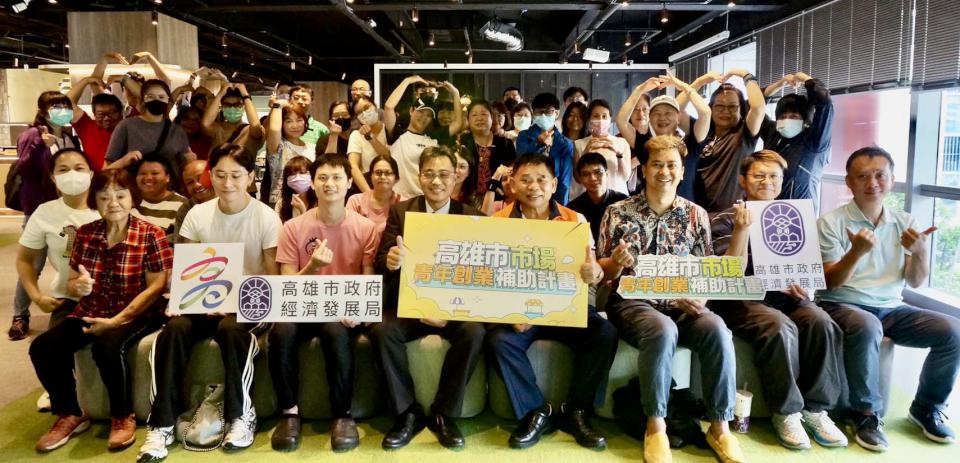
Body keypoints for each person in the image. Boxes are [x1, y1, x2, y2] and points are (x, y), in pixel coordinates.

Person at [598, 135, 746, 463]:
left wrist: (700, 298)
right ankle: (656, 425)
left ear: (682, 171)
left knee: (717, 330)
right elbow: (602, 270)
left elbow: (706, 270)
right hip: (633, 303)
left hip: (683, 305)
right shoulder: (617, 212)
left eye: (671, 165)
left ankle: (720, 427)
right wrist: (616, 263)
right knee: (661, 330)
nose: (664, 172)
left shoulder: (696, 215)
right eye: (656, 164)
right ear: (644, 170)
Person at [138, 143, 281, 461]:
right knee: (174, 329)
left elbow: (272, 279)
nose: (227, 183)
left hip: (249, 302)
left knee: (232, 330)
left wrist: (235, 301)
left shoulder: (266, 218)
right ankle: (161, 424)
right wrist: (183, 299)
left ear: (250, 177)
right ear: (210, 175)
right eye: (220, 174)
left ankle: (241, 416)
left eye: (236, 175)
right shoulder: (197, 215)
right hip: (204, 300)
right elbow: (187, 269)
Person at [817, 147, 960, 451]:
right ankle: (865, 414)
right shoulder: (831, 223)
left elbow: (915, 281)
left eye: (880, 175)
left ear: (892, 180)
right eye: (862, 176)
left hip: (892, 307)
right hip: (842, 303)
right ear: (849, 182)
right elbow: (829, 283)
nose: (872, 183)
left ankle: (926, 407)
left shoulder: (905, 221)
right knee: (866, 325)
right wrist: (856, 253)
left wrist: (920, 251)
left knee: (953, 331)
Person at [711, 150, 847, 450]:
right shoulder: (724, 219)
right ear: (742, 180)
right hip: (743, 300)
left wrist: (805, 287)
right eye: (758, 175)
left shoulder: (794, 217)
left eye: (774, 176)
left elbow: (806, 268)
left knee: (822, 322)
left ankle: (816, 410)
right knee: (779, 326)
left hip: (789, 299)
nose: (767, 182)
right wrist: (744, 231)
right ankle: (785, 412)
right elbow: (726, 275)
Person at [30, 168, 171, 452]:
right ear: (95, 200)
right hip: (93, 308)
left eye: (121, 195)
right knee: (43, 347)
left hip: (137, 312)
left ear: (133, 198)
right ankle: (70, 413)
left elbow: (156, 288)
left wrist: (117, 321)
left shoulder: (151, 234)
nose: (113, 203)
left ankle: (122, 415)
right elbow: (72, 281)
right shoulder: (85, 234)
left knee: (107, 347)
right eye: (104, 197)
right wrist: (79, 286)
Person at [485, 153, 615, 450]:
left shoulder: (574, 220)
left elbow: (593, 270)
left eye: (541, 179)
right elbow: (491, 279)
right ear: (512, 184)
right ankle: (536, 411)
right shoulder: (496, 223)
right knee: (498, 341)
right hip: (521, 315)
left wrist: (593, 272)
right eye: (525, 180)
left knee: (604, 333)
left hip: (565, 309)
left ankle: (576, 410)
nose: (534, 187)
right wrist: (510, 312)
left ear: (554, 184)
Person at [369, 146, 487, 450]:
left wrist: (449, 312)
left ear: (456, 177)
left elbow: (480, 274)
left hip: (453, 308)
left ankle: (443, 413)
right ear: (419, 176)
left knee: (474, 332)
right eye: (429, 174)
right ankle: (407, 413)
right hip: (410, 305)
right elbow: (381, 260)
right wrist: (391, 260)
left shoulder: (472, 217)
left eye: (444, 174)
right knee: (381, 331)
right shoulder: (401, 211)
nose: (436, 181)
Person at [269, 153, 379, 452]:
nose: (330, 183)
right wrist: (313, 267)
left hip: (340, 311)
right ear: (313, 184)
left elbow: (368, 279)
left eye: (337, 177)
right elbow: (287, 286)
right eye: (323, 178)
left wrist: (358, 311)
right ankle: (289, 413)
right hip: (303, 306)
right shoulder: (293, 227)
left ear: (349, 184)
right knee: (281, 331)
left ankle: (342, 415)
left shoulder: (365, 228)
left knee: (335, 331)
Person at [9, 90, 79, 340]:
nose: (62, 111)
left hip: (67, 210)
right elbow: (24, 167)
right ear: (42, 110)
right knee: (33, 264)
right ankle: (20, 316)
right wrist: (41, 145)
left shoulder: (68, 136)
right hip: (40, 211)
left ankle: (70, 305)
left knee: (69, 260)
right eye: (55, 106)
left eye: (65, 106)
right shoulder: (33, 135)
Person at [16, 149, 100, 336]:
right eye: (63, 170)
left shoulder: (108, 207)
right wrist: (37, 297)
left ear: (91, 173)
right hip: (68, 299)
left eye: (79, 168)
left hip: (113, 297)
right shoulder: (45, 212)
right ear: (53, 177)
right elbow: (24, 260)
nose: (72, 174)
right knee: (51, 348)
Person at [680, 69, 765, 213]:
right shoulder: (701, 131)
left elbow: (758, 107)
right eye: (719, 106)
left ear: (741, 110)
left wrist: (745, 75)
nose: (725, 111)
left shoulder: (744, 134)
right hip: (697, 213)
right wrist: (699, 82)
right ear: (711, 108)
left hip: (729, 215)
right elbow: (675, 112)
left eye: (732, 107)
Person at [760, 72, 833, 213]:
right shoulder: (772, 134)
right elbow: (756, 106)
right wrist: (780, 84)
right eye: (782, 116)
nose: (787, 120)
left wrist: (806, 80)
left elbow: (825, 104)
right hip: (768, 212)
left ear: (805, 120)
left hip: (800, 216)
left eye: (794, 116)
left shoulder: (815, 140)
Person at [104, 79, 193, 188]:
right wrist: (124, 161)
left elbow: (183, 166)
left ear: (168, 100)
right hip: (135, 191)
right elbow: (106, 169)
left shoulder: (177, 131)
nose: (156, 100)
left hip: (168, 191)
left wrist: (190, 161)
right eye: (150, 96)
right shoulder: (126, 126)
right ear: (143, 100)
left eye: (161, 97)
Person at [646, 75, 713, 202]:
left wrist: (685, 86)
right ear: (649, 118)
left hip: (686, 211)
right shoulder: (646, 146)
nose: (662, 118)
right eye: (657, 113)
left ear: (678, 118)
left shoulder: (690, 144)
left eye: (668, 113)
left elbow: (705, 113)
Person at [66, 53, 127, 171]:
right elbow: (64, 104)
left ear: (120, 113)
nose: (106, 118)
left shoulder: (129, 127)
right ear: (94, 113)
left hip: (124, 180)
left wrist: (125, 79)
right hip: (95, 180)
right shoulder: (87, 127)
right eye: (101, 114)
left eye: (111, 113)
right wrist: (86, 81)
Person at [515, 93, 573, 205]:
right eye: (539, 112)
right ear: (533, 113)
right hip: (528, 194)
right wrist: (538, 143)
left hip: (554, 200)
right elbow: (522, 164)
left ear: (556, 113)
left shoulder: (565, 144)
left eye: (548, 112)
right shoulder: (524, 136)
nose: (543, 115)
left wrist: (560, 208)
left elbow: (564, 182)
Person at [457, 100, 517, 207]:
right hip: (465, 199)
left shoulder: (505, 144)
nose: (479, 118)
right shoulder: (461, 142)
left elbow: (511, 171)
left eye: (484, 114)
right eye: (474, 115)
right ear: (468, 119)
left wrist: (500, 187)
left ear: (492, 118)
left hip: (498, 200)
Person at [571, 99, 632, 198]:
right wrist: (585, 153)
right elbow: (578, 179)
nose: (600, 120)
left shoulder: (622, 143)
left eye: (604, 116)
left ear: (610, 119)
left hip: (618, 198)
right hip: (590, 199)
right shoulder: (579, 144)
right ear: (589, 119)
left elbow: (626, 176)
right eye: (596, 116)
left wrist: (618, 154)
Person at [567, 152, 628, 242]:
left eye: (598, 172)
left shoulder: (623, 202)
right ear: (580, 179)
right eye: (586, 174)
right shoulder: (573, 208)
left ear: (606, 174)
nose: (592, 178)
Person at [266, 100, 316, 206]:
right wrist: (279, 105)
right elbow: (274, 129)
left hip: (311, 202)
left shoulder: (312, 147)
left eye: (299, 120)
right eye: (288, 121)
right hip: (282, 204)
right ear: (282, 124)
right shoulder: (278, 146)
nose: (295, 126)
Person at [389, 99, 439, 200]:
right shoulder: (397, 134)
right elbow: (388, 107)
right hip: (398, 199)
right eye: (421, 111)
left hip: (424, 199)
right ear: (411, 111)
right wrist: (407, 84)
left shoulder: (433, 142)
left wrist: (455, 93)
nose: (424, 117)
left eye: (429, 115)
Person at [201, 83, 265, 155]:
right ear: (222, 107)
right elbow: (205, 124)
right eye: (227, 105)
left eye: (237, 105)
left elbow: (255, 125)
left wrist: (245, 95)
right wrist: (220, 94)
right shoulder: (218, 130)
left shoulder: (249, 131)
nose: (232, 108)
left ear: (244, 106)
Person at [346, 154, 401, 237]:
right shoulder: (356, 201)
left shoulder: (403, 203)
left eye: (388, 173)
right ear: (370, 176)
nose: (382, 177)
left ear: (396, 178)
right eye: (378, 173)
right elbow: (349, 232)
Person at [133, 155, 188, 234]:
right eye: (143, 173)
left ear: (167, 177)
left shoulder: (182, 205)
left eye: (154, 173)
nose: (148, 178)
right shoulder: (128, 200)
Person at [346, 96, 390, 193]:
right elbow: (353, 166)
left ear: (375, 106)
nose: (364, 113)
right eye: (359, 112)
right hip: (368, 186)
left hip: (391, 184)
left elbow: (389, 158)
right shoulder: (356, 135)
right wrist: (368, 193)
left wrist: (370, 137)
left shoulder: (388, 130)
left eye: (366, 108)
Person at [171, 159, 216, 243]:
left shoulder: (233, 201)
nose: (197, 185)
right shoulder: (186, 209)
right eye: (190, 182)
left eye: (201, 177)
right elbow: (180, 246)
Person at [276, 155, 317, 223]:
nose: (297, 177)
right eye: (292, 174)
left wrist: (302, 211)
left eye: (302, 172)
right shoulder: (281, 204)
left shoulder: (319, 202)